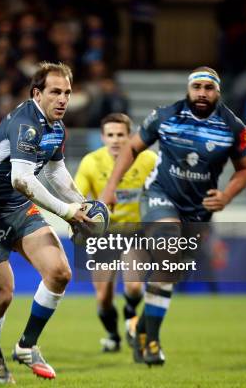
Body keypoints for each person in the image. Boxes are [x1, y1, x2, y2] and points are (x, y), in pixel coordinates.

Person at [100, 67, 246, 366]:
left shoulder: (234, 127)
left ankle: (143, 329)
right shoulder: (165, 116)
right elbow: (132, 147)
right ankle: (153, 343)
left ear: (217, 91)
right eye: (196, 87)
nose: (201, 93)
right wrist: (109, 189)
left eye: (208, 88)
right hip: (161, 196)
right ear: (188, 88)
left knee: (168, 272)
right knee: (168, 251)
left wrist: (226, 196)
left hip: (199, 209)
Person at [0, 62, 90, 383]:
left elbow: (53, 172)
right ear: (37, 93)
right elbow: (21, 179)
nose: (63, 99)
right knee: (3, 296)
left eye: (67, 93)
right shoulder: (26, 124)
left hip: (18, 208)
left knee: (59, 272)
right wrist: (66, 212)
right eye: (55, 92)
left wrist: (82, 205)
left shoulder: (55, 126)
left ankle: (26, 345)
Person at [74, 113, 157, 352]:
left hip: (135, 231)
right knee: (103, 298)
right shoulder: (91, 162)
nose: (115, 140)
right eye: (110, 135)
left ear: (129, 136)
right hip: (104, 235)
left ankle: (130, 314)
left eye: (120, 134)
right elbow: (77, 197)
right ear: (102, 137)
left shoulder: (148, 159)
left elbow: (163, 191)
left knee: (133, 287)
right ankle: (113, 336)